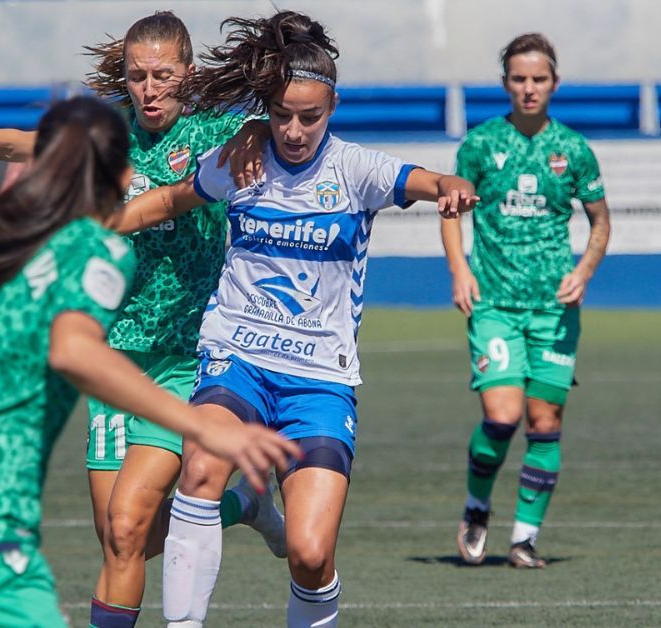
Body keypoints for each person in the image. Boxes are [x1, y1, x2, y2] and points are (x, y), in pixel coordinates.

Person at [0, 95, 300, 628]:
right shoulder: (90, 247)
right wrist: (202, 427)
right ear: (117, 174)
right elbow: (74, 351)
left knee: (124, 530)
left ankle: (240, 508)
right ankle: (242, 507)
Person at [109, 11, 478, 626]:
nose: (295, 130)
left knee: (309, 553)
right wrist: (94, 226)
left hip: (319, 382)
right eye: (281, 115)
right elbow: (171, 199)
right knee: (200, 470)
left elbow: (427, 179)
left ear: (332, 107)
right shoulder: (242, 159)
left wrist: (450, 185)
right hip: (238, 361)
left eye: (310, 116)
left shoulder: (355, 170)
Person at [446, 33, 610, 569]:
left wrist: (584, 272)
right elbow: (452, 210)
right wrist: (460, 270)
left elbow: (600, 222)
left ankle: (524, 539)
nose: (529, 88)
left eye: (539, 79)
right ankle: (477, 506)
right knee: (502, 416)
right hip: (494, 303)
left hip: (555, 311)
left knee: (544, 422)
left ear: (554, 83)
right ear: (505, 84)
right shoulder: (480, 144)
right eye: (519, 79)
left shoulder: (574, 149)